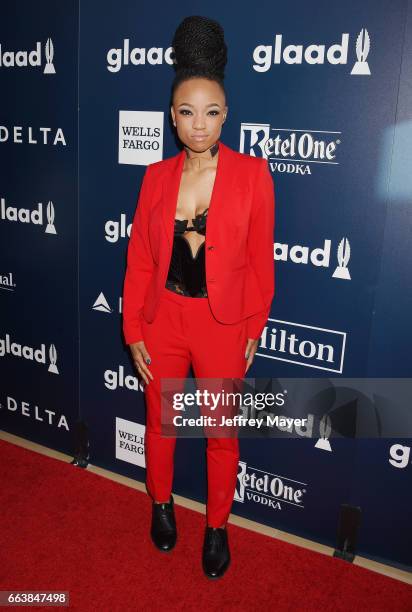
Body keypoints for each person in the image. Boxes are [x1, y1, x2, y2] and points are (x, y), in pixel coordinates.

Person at [122, 15, 275, 579]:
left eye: (211, 112)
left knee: (220, 432)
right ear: (172, 117)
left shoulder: (254, 176)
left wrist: (253, 327)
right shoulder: (156, 178)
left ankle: (216, 527)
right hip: (163, 319)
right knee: (160, 423)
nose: (200, 125)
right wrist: (133, 327)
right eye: (187, 112)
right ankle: (161, 506)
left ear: (226, 114)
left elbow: (262, 261)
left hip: (221, 323)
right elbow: (139, 256)